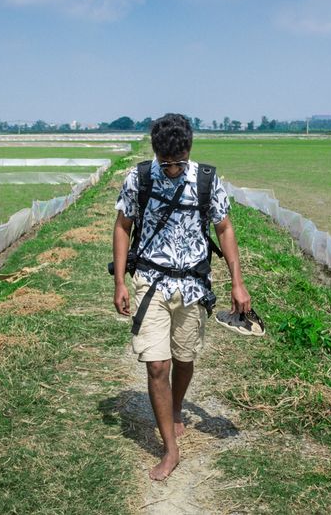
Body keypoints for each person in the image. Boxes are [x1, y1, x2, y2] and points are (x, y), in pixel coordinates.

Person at [111, 113, 253, 481]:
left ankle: (175, 409)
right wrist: (120, 283)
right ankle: (170, 450)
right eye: (166, 163)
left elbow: (224, 229)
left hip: (192, 286)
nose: (172, 169)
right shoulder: (139, 178)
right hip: (151, 283)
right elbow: (123, 227)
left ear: (189, 150)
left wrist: (238, 282)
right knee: (157, 365)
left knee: (184, 357)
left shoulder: (206, 180)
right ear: (155, 152)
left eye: (179, 162)